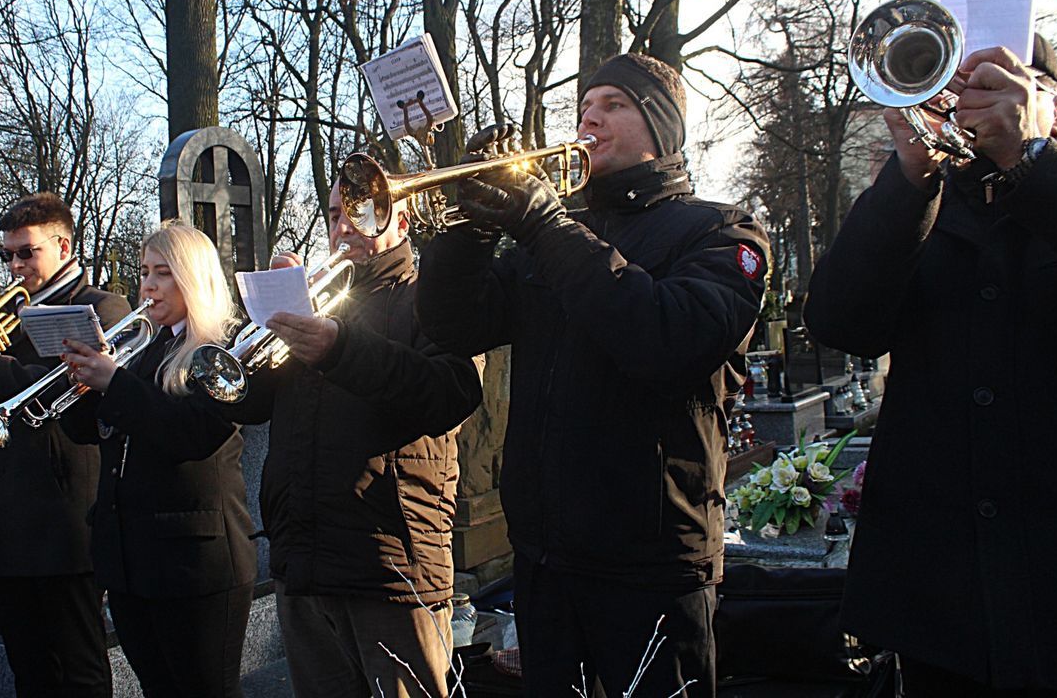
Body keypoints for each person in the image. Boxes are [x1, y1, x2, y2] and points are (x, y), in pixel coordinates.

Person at [415, 53, 770, 698]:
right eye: (585, 105)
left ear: (660, 128)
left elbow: (666, 339)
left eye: (614, 104)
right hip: (547, 558)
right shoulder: (552, 232)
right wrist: (468, 225)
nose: (589, 117)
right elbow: (454, 324)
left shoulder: (720, 230)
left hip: (652, 563)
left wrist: (546, 225)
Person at [804, 35, 1057, 696]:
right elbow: (839, 323)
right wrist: (909, 173)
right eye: (964, 83)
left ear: (1054, 105)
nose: (980, 98)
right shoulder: (917, 204)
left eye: (1005, 81)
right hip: (938, 603)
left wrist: (1030, 159)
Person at [224, 182, 482, 698]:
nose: (345, 226)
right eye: (337, 213)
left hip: (391, 568)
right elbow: (249, 404)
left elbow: (448, 394)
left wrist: (339, 349)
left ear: (402, 224)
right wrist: (259, 322)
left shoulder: (432, 298)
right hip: (304, 566)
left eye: (366, 212)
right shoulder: (317, 299)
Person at [0, 192, 129, 698]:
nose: (15, 265)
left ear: (63, 245)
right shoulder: (9, 313)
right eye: (7, 255)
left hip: (60, 521)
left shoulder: (98, 306)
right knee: (28, 668)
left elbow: (61, 383)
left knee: (78, 667)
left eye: (27, 252)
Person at [57, 222, 256, 698]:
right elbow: (91, 433)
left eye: (163, 273)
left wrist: (114, 383)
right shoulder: (144, 346)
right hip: (133, 561)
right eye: (145, 271)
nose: (147, 285)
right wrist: (80, 383)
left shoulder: (226, 346)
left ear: (193, 278)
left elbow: (191, 434)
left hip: (195, 564)